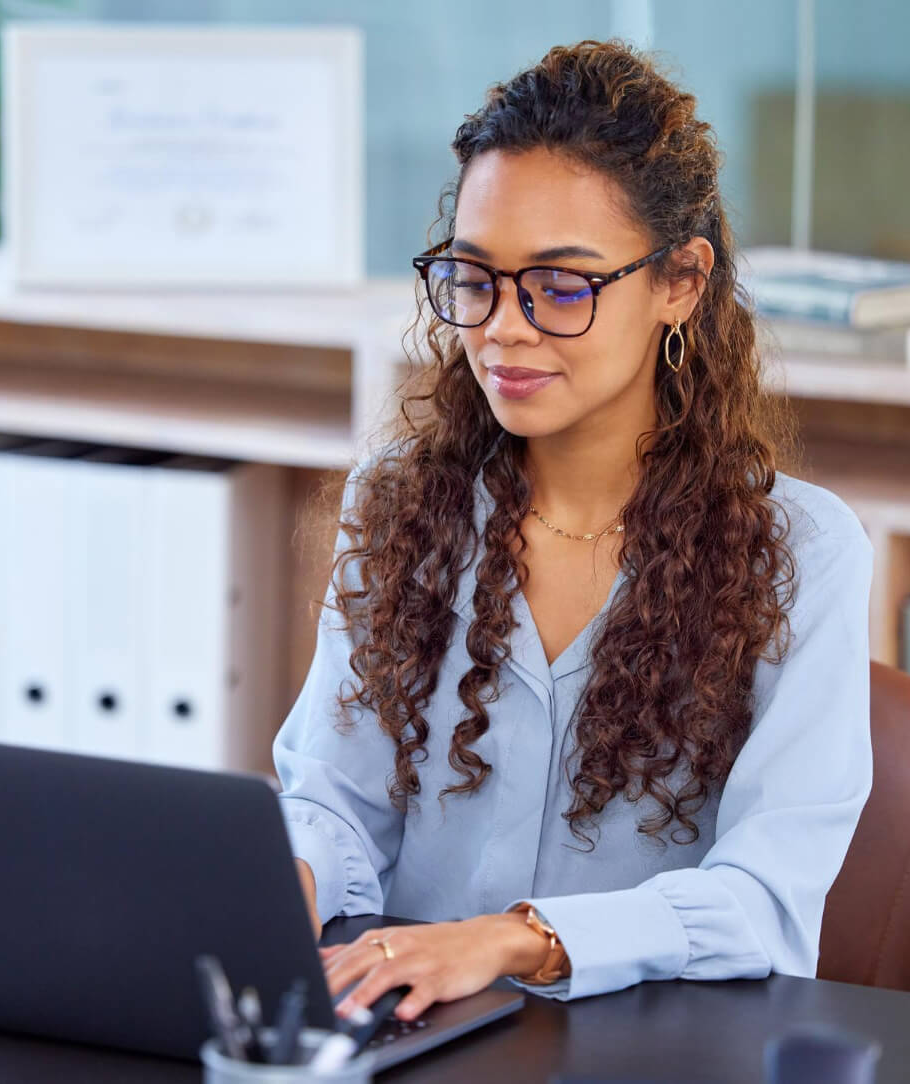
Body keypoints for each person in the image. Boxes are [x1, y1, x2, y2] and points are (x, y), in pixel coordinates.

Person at [273, 39, 873, 1024]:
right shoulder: (399, 503)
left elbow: (767, 900)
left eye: (560, 287)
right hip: (415, 1033)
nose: (503, 328)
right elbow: (338, 801)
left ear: (679, 281)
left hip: (647, 1048)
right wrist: (290, 875)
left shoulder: (804, 554)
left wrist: (518, 939)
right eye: (475, 278)